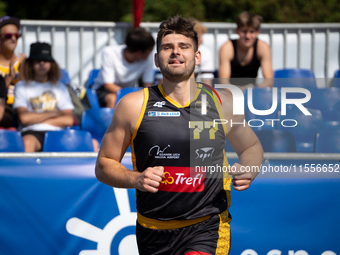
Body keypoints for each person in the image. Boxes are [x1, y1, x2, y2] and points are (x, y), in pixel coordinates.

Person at [95, 15, 263, 255]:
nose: (175, 52)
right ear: (156, 58)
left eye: (184, 46)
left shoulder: (222, 103)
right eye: (167, 47)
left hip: (207, 227)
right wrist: (136, 179)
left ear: (197, 57)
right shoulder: (133, 106)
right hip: (151, 230)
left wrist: (249, 168)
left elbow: (251, 147)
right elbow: (103, 165)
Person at [13, 42, 75, 152]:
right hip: (31, 132)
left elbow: (69, 119)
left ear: (51, 63)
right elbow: (24, 118)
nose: (42, 63)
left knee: (92, 143)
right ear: (30, 63)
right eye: (37, 60)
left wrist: (36, 119)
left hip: (57, 133)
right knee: (27, 143)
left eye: (46, 60)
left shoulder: (60, 88)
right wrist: (54, 113)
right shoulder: (21, 86)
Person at [92, 28, 155, 108]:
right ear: (139, 53)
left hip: (128, 91)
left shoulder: (148, 58)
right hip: (102, 90)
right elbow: (108, 85)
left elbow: (148, 85)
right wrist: (131, 96)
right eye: (150, 50)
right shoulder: (109, 52)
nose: (151, 53)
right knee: (113, 99)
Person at [219, 11, 273, 88]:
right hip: (231, 92)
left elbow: (269, 81)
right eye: (244, 31)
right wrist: (240, 92)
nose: (248, 36)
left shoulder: (263, 47)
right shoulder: (227, 48)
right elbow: (223, 83)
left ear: (258, 32)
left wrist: (253, 91)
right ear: (237, 31)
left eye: (251, 32)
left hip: (253, 91)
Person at [0, 16, 25, 127]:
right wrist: (8, 79)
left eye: (16, 35)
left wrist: (26, 75)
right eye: (8, 36)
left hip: (23, 108)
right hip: (4, 109)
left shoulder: (24, 62)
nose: (13, 39)